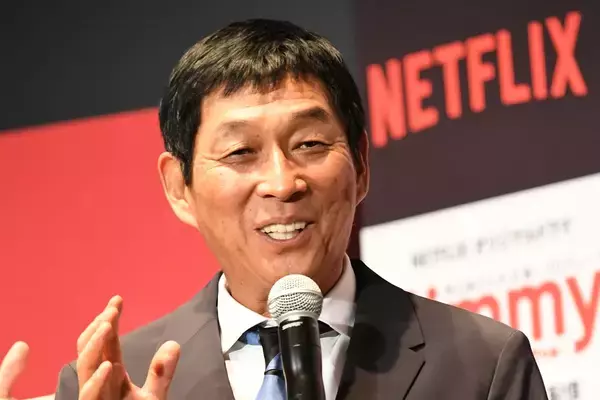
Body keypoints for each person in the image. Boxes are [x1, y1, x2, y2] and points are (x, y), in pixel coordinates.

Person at [9, 18, 549, 399]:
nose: (282, 182)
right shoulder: (107, 383)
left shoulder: (482, 364)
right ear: (179, 187)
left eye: (310, 144)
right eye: (240, 152)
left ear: (361, 164)